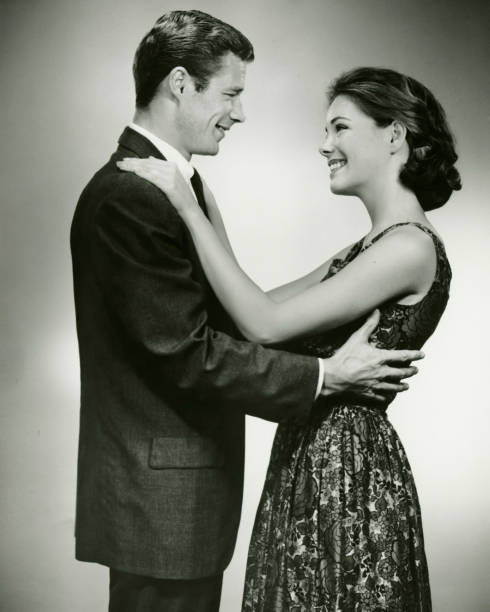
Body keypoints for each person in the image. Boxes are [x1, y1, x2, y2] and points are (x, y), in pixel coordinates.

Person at [118, 66, 461, 610]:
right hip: (311, 460)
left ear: (394, 133)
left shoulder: (408, 249)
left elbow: (263, 327)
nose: (324, 145)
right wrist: (202, 202)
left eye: (340, 128)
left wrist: (186, 206)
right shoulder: (370, 248)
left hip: (349, 473)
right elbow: (256, 306)